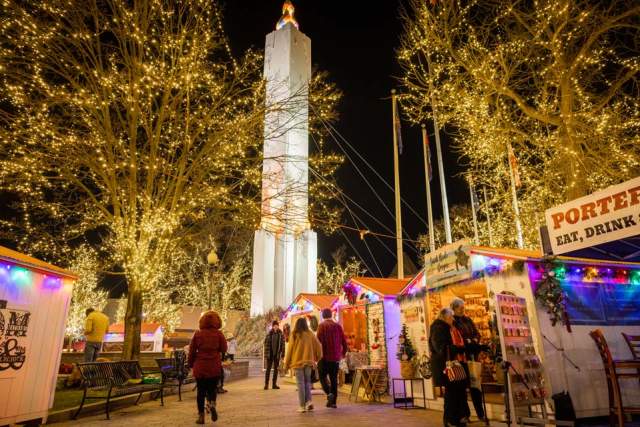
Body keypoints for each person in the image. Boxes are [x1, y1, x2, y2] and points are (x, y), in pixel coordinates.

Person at [430, 307, 470, 427]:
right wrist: (459, 348)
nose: (453, 319)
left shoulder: (448, 327)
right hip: (445, 366)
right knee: (451, 393)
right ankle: (450, 420)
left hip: (453, 364)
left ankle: (457, 417)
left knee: (457, 391)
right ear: (445, 317)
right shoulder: (438, 328)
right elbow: (441, 348)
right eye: (451, 317)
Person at [188, 311, 227, 424]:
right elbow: (224, 348)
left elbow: (191, 351)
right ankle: (212, 405)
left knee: (200, 391)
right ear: (217, 321)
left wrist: (190, 364)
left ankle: (201, 416)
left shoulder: (198, 334)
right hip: (214, 366)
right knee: (212, 389)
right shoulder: (219, 334)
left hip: (200, 366)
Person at [451, 297, 486, 422]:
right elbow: (458, 338)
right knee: (463, 387)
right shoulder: (453, 322)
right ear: (454, 308)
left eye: (463, 308)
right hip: (462, 357)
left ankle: (481, 413)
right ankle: (465, 414)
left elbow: (476, 333)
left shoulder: (468, 319)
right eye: (460, 308)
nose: (462, 310)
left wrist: (475, 339)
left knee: (476, 386)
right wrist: (467, 341)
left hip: (473, 356)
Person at [284, 317, 323, 413]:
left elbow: (290, 351)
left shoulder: (294, 334)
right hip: (309, 362)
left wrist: (286, 365)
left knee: (300, 384)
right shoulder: (310, 334)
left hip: (297, 363)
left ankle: (302, 406)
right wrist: (316, 359)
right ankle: (308, 402)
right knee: (307, 383)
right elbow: (319, 347)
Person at [316, 308, 347, 408]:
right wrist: (343, 353)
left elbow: (318, 342)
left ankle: (329, 393)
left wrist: (316, 356)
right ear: (331, 315)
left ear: (323, 316)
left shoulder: (321, 326)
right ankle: (333, 402)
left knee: (321, 376)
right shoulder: (338, 326)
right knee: (334, 379)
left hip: (324, 357)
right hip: (335, 358)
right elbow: (344, 341)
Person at [263, 320, 285, 390]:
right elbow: (265, 343)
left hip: (277, 355)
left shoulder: (281, 334)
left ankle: (274, 384)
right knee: (268, 370)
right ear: (272, 326)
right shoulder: (269, 334)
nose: (275, 327)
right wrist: (266, 354)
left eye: (277, 326)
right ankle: (266, 384)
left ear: (278, 326)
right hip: (270, 355)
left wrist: (282, 354)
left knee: (276, 370)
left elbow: (283, 345)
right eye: (274, 326)